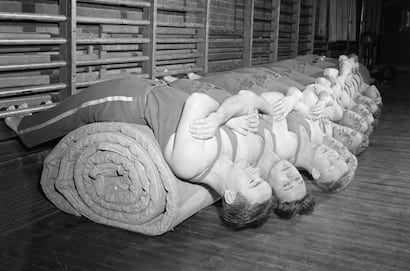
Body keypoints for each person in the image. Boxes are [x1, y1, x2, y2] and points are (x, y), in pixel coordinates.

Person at [5, 76, 277, 229]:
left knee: (74, 111)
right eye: (261, 178)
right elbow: (244, 100)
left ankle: (24, 126)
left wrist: (221, 118)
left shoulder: (192, 163)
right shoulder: (231, 158)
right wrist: (230, 117)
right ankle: (36, 114)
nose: (255, 172)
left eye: (253, 182)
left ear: (229, 195)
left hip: (132, 100)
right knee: (71, 107)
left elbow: (199, 101)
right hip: (155, 89)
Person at [172, 76, 354, 193]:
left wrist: (291, 100)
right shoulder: (312, 136)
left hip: (239, 96)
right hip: (245, 93)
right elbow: (301, 95)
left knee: (185, 87)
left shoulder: (282, 149)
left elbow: (262, 106)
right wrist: (293, 99)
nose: (333, 153)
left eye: (331, 163)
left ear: (315, 173)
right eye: (338, 157)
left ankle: (176, 81)